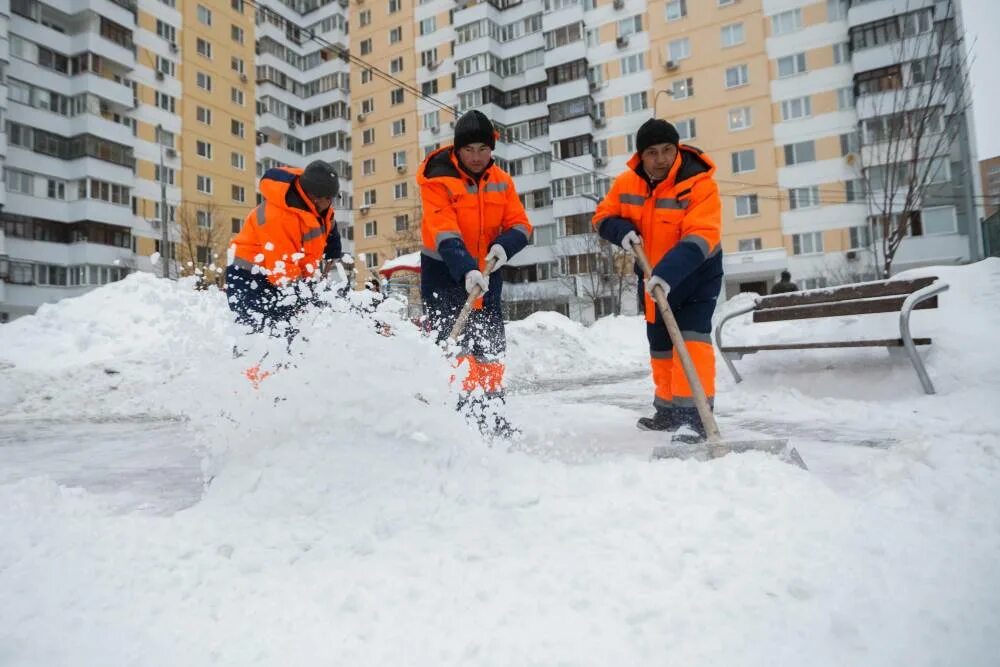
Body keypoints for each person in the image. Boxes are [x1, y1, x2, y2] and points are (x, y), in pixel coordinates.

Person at [592, 118, 724, 440]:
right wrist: (621, 232)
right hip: (651, 277)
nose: (661, 158)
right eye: (652, 152)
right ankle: (667, 411)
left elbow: (701, 236)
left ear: (677, 149)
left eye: (667, 150)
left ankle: (695, 418)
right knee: (662, 347)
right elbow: (602, 217)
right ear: (641, 155)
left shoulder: (699, 184)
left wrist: (668, 274)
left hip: (696, 276)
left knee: (690, 344)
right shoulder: (627, 184)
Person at [416, 109, 533, 437]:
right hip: (445, 272)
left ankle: (492, 413)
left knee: (490, 348)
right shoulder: (437, 178)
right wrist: (466, 268)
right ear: (457, 150)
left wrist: (504, 247)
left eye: (483, 149)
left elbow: (521, 225)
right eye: (469, 149)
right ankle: (463, 421)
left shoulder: (502, 181)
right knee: (459, 349)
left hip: (489, 270)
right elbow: (443, 229)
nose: (477, 157)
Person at [226, 160, 343, 336]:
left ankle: (287, 363)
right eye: (329, 198)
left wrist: (333, 243)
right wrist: (305, 298)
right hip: (248, 275)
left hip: (277, 272)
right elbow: (283, 269)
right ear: (315, 197)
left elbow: (328, 221)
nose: (332, 202)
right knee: (259, 330)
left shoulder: (314, 205)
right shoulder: (280, 218)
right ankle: (250, 362)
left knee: (289, 330)